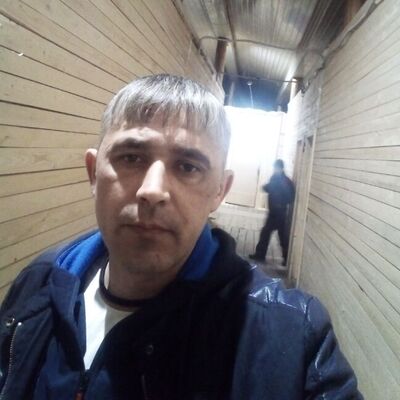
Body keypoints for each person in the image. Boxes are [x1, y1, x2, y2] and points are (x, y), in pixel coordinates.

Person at [0, 74, 362, 400]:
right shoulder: (39, 284)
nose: (152, 190)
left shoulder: (293, 336)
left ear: (219, 190)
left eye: (188, 167)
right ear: (94, 172)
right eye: (131, 158)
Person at [249, 159, 295, 265]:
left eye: (276, 168)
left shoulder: (285, 181)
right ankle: (261, 255)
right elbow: (271, 188)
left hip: (280, 212)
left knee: (279, 236)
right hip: (273, 212)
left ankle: (284, 258)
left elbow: (290, 196)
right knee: (268, 233)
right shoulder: (275, 178)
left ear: (281, 168)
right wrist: (266, 187)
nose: (275, 169)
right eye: (274, 168)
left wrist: (281, 202)